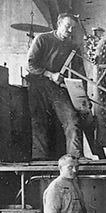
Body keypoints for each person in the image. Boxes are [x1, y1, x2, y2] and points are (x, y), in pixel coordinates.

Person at [26, 12, 84, 160]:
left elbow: (79, 72)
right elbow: (29, 64)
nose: (70, 30)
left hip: (57, 88)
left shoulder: (73, 46)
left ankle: (75, 156)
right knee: (39, 122)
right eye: (67, 26)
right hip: (38, 85)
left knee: (71, 118)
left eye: (73, 28)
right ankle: (39, 159)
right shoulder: (42, 39)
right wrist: (50, 74)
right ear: (59, 25)